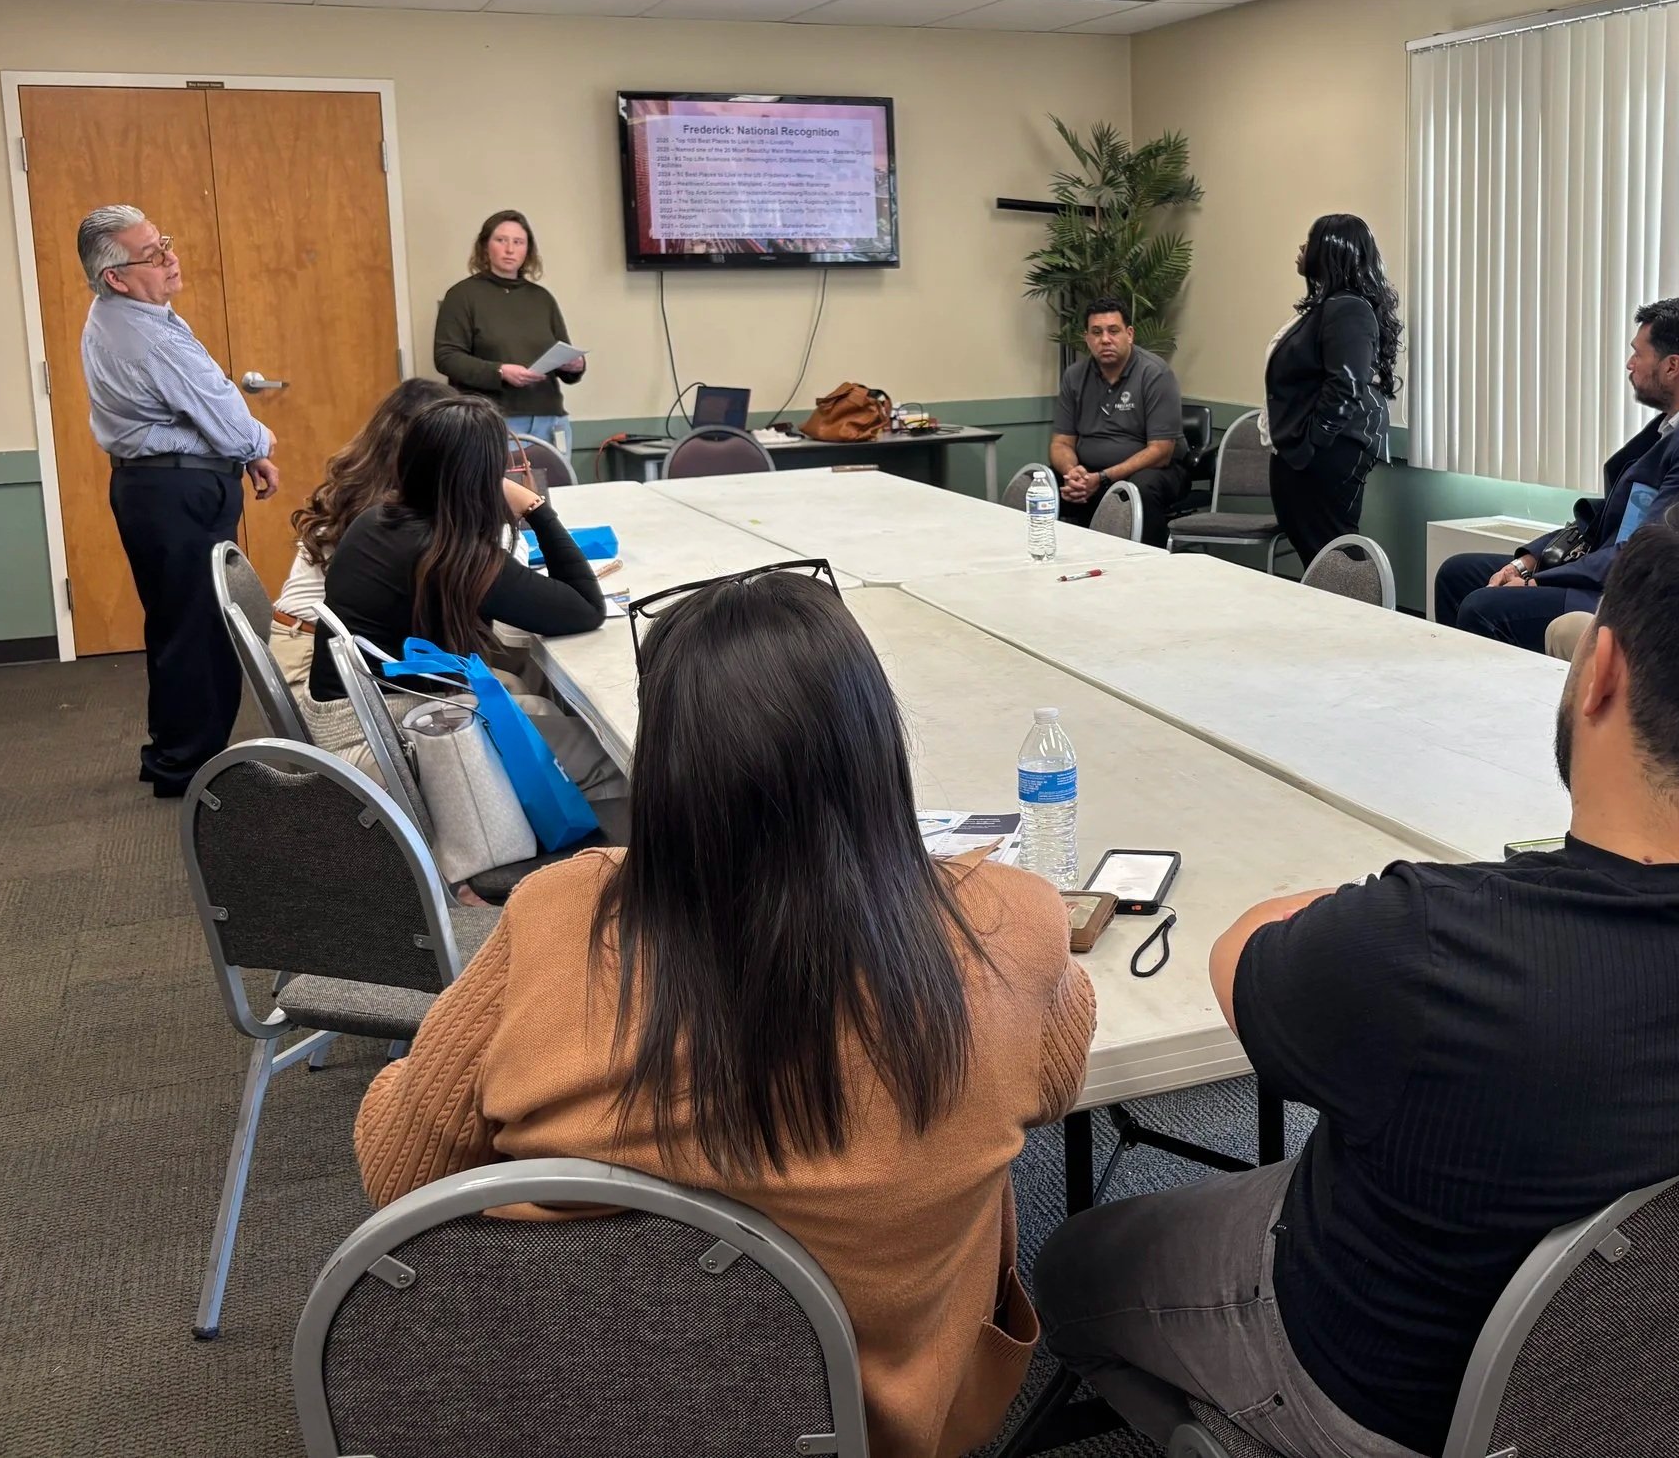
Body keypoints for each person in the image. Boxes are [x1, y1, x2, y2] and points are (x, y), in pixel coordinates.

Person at [1035, 493, 1679, 1458]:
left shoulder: (1427, 952)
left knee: (1073, 1263)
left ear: (1602, 670)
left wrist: (1390, 906)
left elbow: (1238, 952)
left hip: (1402, 1402)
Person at [354, 570, 1095, 1458]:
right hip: (867, 1431)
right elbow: (1053, 1079)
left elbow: (398, 1171)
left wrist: (436, 1062)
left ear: (664, 761)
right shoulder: (1012, 921)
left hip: (566, 1411)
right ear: (872, 744)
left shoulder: (559, 913)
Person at [307, 393, 619, 798]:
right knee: (609, 759)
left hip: (346, 716)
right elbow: (586, 609)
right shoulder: (454, 556)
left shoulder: (379, 520)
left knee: (521, 689)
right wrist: (536, 508)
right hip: (378, 740)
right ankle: (576, 858)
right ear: (483, 477)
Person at [75, 204, 280, 798]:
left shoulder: (129, 311)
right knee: (195, 629)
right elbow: (226, 415)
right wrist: (257, 443)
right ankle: (190, 768)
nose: (170, 258)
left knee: (181, 624)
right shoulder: (143, 335)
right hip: (173, 491)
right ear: (114, 276)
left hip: (164, 487)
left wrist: (242, 451)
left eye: (163, 241)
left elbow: (207, 406)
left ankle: (177, 755)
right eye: (151, 254)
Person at [1434, 297, 1679, 648]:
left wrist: (1539, 582)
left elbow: (1650, 554)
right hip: (1619, 566)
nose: (1629, 364)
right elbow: (1614, 514)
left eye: (1638, 354)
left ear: (1672, 366)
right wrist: (1529, 560)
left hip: (1655, 598)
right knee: (1458, 574)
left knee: (1484, 607)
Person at [269, 377, 456, 688]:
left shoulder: (361, 485)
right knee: (498, 692)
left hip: (315, 648)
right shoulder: (387, 513)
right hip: (312, 664)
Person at [1266, 214, 1398, 566]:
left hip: (1328, 450)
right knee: (1319, 553)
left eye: (1309, 242)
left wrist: (1312, 444)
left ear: (1329, 252)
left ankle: (1358, 614)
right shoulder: (1331, 307)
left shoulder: (1348, 308)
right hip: (1312, 449)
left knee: (1332, 553)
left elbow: (1346, 384)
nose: (1301, 248)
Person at [433, 210, 585, 452]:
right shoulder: (462, 296)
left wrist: (575, 366)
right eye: (501, 240)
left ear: (528, 250)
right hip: (493, 421)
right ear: (485, 247)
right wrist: (500, 371)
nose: (510, 249)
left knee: (554, 490)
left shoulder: (541, 298)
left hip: (550, 420)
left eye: (518, 242)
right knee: (500, 491)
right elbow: (447, 358)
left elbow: (562, 353)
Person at [1049, 296, 1186, 546]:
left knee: (1140, 490)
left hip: (1152, 471)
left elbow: (1161, 452)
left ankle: (1145, 565)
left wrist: (1102, 477)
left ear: (1129, 334)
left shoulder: (1155, 374)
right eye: (1097, 332)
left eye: (1113, 331)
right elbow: (1061, 443)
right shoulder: (1074, 376)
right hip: (1089, 472)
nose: (1105, 339)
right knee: (1039, 483)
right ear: (1087, 338)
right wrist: (1073, 473)